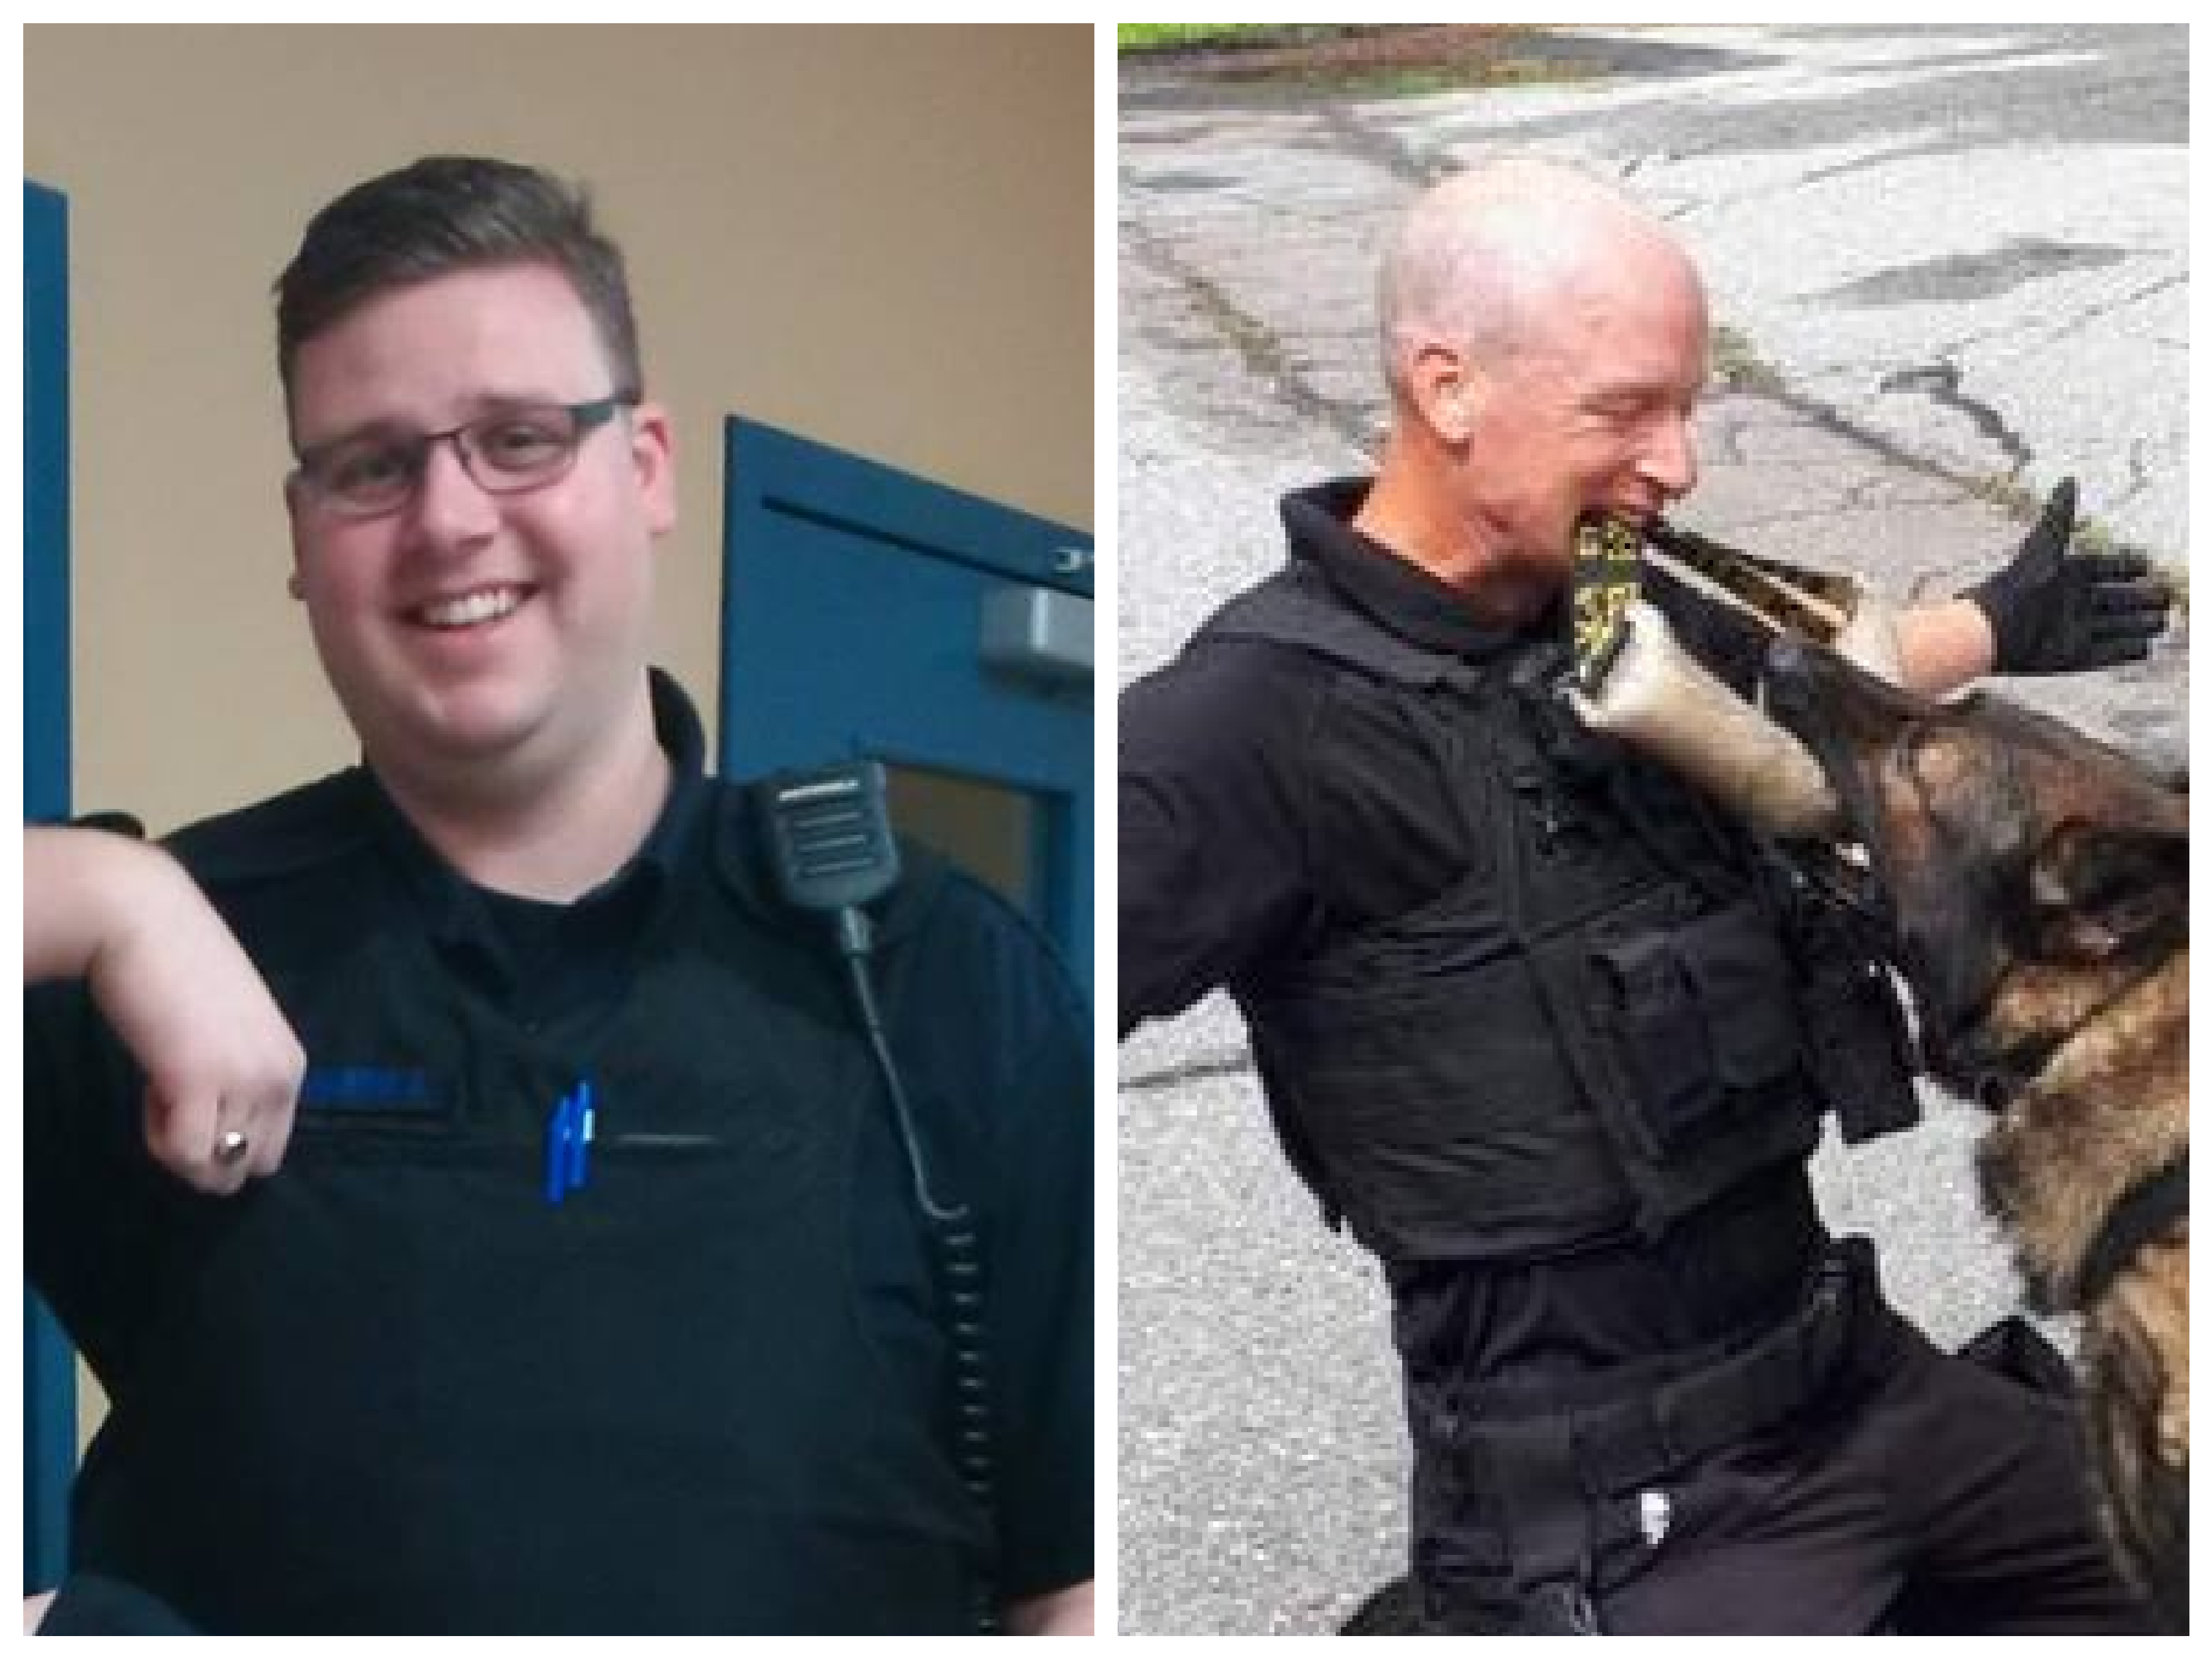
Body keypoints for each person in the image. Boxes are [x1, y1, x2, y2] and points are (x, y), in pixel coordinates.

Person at [26, 155, 1093, 1635]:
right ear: (300, 533)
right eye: (370, 464)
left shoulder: (943, 971)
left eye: (519, 439)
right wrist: (95, 890)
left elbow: (1070, 1580)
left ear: (643, 465)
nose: (450, 518)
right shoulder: (155, 962)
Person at [1119, 156, 2169, 1634]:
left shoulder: (1606, 601)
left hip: (1855, 1382)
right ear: (1447, 386)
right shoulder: (1251, 732)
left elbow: (1805, 692)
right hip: (1623, 1518)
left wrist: (1999, 621)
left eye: (1687, 407)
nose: (1675, 463)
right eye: (1624, 411)